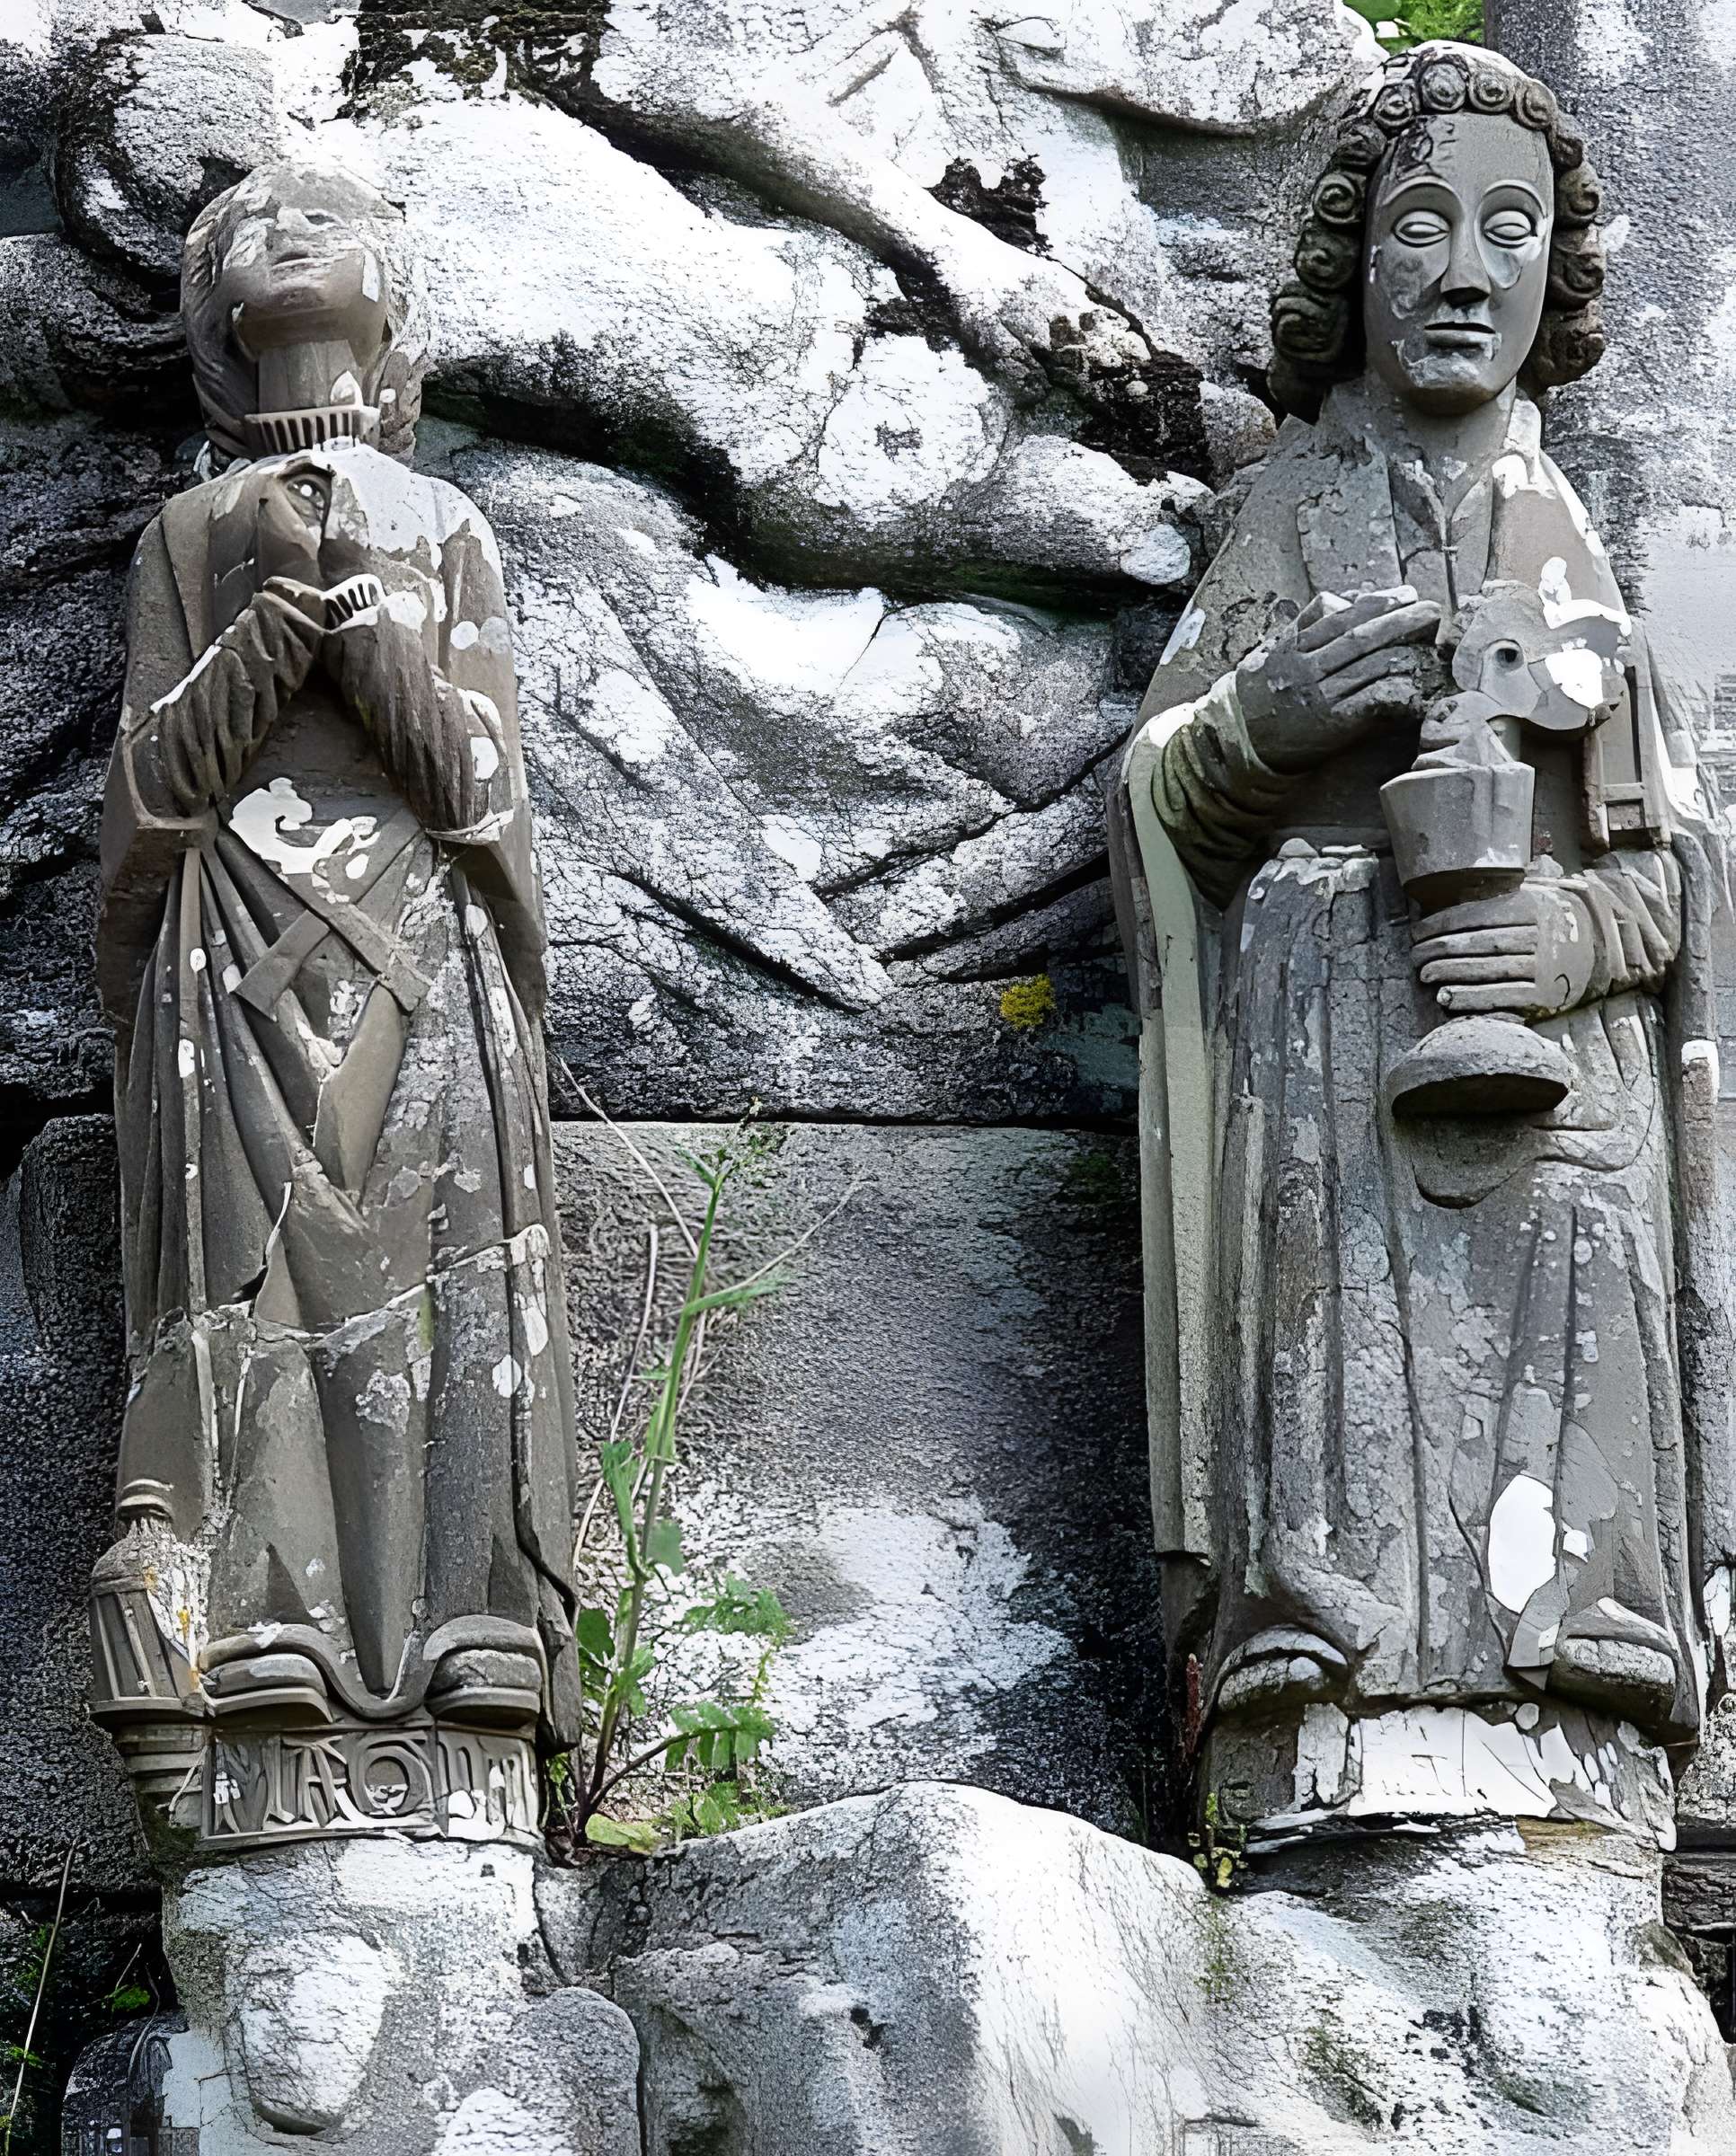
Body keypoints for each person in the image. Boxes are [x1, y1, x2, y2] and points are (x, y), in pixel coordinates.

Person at [1112, 45, 1736, 1784]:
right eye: (1422, 227)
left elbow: (1681, 884)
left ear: (1559, 278)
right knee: (1317, 1160)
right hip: (1328, 1036)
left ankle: (1590, 1624)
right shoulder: (1287, 521)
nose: (1468, 269)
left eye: (1512, 230)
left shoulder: (1570, 542)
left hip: (1544, 1059)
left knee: (1591, 1197)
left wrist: (1568, 943)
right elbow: (1157, 806)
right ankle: (1315, 1627)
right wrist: (1265, 726)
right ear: (1352, 263)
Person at [91, 157, 580, 1834]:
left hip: (420, 926)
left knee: (451, 1250)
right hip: (230, 933)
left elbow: (488, 785)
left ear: (393, 305)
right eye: (254, 231)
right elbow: (150, 787)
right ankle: (269, 1617)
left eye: (333, 223)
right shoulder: (187, 533)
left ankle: (479, 1621)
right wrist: (257, 648)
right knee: (261, 1260)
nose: (294, 232)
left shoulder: (449, 526)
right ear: (219, 319)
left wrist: (370, 640)